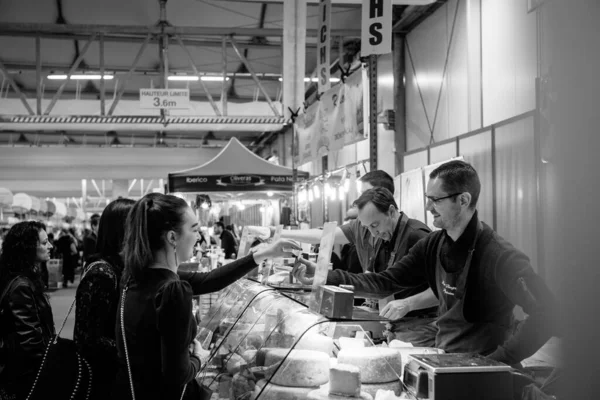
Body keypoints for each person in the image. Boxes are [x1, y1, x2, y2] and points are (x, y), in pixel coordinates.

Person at [294, 161, 557, 366]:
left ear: (463, 200)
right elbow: (385, 282)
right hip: (445, 361)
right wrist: (323, 276)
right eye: (427, 198)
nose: (428, 206)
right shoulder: (433, 245)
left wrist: (498, 361)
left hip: (486, 374)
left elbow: (547, 313)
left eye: (436, 200)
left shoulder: (499, 255)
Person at [112, 193, 300, 400]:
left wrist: (261, 255)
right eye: (194, 229)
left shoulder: (135, 277)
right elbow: (178, 374)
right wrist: (199, 358)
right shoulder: (172, 290)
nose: (199, 237)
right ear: (172, 237)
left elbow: (209, 280)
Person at [281, 170, 438, 346]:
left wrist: (408, 303)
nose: (373, 233)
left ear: (391, 211)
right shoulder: (384, 236)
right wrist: (322, 274)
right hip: (393, 325)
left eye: (375, 225)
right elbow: (379, 283)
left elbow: (442, 289)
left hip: (421, 327)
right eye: (368, 227)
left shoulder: (417, 235)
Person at [73, 198, 135, 400]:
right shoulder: (103, 273)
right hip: (103, 381)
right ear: (124, 229)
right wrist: (134, 348)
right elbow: (89, 339)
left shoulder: (119, 267)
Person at [0, 221, 55, 399]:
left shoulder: (22, 279)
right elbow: (30, 340)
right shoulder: (21, 285)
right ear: (29, 247)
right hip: (26, 374)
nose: (50, 246)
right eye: (45, 242)